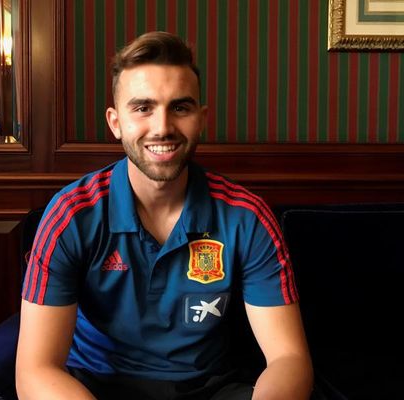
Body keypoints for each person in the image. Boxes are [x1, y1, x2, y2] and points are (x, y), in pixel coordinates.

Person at [16, 31, 313, 400]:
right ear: (115, 122)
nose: (162, 128)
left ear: (201, 118)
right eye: (143, 108)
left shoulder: (247, 216)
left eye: (180, 108)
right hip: (94, 387)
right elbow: (35, 370)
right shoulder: (71, 215)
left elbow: (289, 358)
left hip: (208, 389)